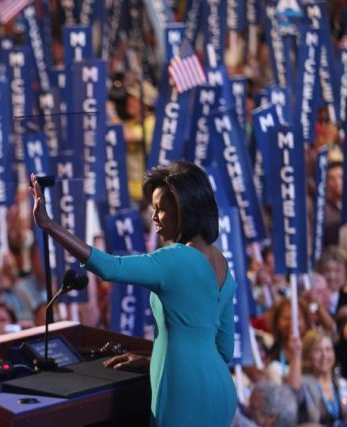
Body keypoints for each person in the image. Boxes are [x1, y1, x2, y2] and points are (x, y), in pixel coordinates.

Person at [29, 161, 237, 426]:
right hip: (222, 392)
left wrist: (48, 225)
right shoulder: (222, 264)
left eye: (160, 209)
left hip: (183, 392)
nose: (153, 218)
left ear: (184, 208)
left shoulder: (174, 259)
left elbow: (110, 268)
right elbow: (224, 349)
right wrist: (152, 360)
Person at [287, 329, 347, 426]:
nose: (324, 355)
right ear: (309, 355)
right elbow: (293, 391)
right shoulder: (303, 384)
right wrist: (296, 356)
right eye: (318, 350)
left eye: (328, 349)